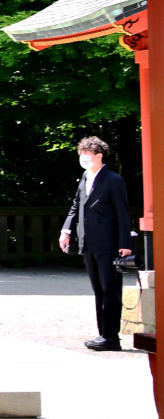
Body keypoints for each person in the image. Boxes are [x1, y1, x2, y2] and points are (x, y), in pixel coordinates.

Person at [60, 136, 134, 351]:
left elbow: (123, 213)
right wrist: (66, 230)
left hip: (109, 242)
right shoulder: (85, 177)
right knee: (98, 290)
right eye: (81, 154)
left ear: (99, 156)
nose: (83, 158)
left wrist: (125, 243)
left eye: (87, 154)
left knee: (110, 289)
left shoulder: (113, 180)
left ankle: (111, 337)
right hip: (88, 241)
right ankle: (103, 333)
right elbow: (76, 205)